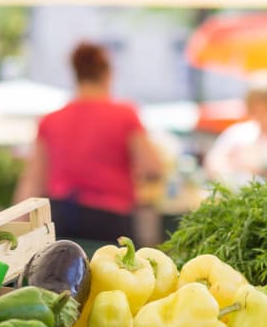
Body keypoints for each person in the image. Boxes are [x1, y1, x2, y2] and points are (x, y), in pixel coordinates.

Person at [17, 41, 162, 242]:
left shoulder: (51, 120)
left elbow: (33, 180)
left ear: (75, 75)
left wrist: (20, 229)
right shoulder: (125, 115)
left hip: (62, 217)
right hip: (110, 219)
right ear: (107, 74)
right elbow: (153, 167)